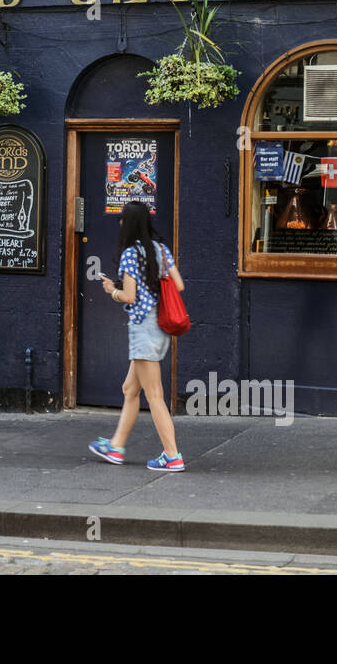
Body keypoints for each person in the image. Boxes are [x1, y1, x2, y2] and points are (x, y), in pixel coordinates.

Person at [88, 201, 186, 472]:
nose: (119, 223)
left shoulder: (131, 254)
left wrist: (112, 291)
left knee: (154, 395)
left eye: (122, 219)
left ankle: (172, 455)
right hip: (161, 327)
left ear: (128, 224)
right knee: (130, 389)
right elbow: (179, 284)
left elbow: (129, 296)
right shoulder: (162, 250)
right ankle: (117, 446)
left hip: (143, 328)